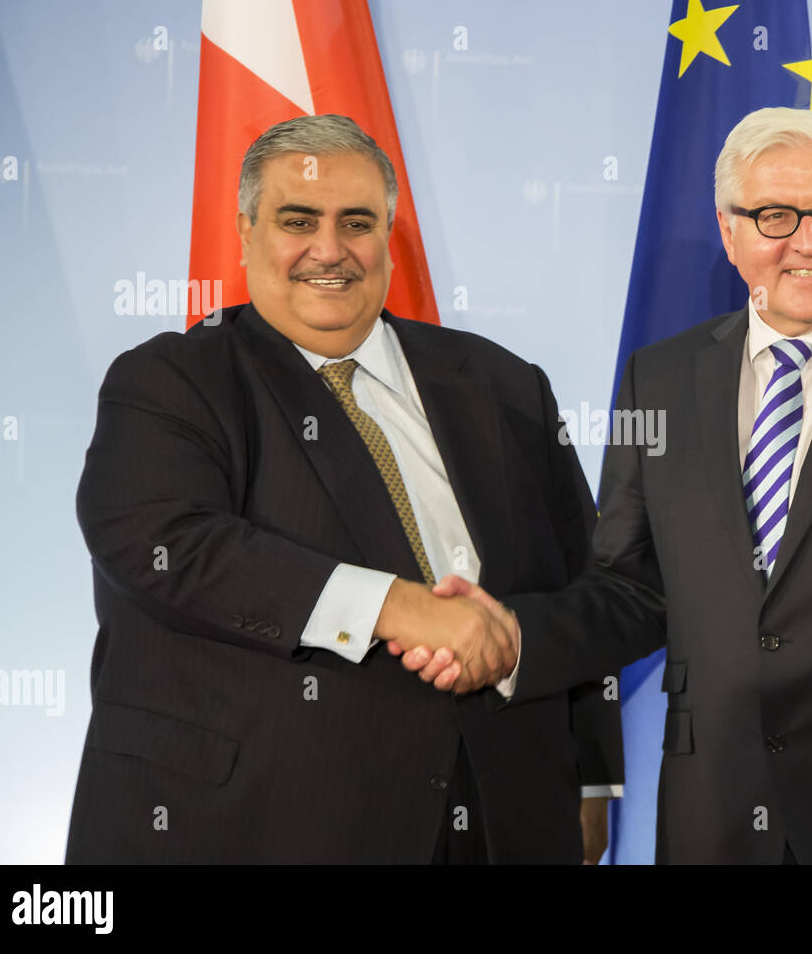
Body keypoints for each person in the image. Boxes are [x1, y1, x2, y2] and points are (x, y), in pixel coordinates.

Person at [412, 107, 812, 864]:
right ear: (730, 234)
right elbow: (632, 589)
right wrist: (513, 635)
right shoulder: (657, 377)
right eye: (775, 215)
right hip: (715, 822)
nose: (811, 239)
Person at [66, 114, 621, 864]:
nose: (329, 250)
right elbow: (167, 544)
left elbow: (588, 584)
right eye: (298, 220)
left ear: (388, 234)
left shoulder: (505, 385)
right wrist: (400, 608)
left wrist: (589, 783)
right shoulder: (169, 380)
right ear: (245, 231)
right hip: (253, 824)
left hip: (504, 822)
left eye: (356, 223)